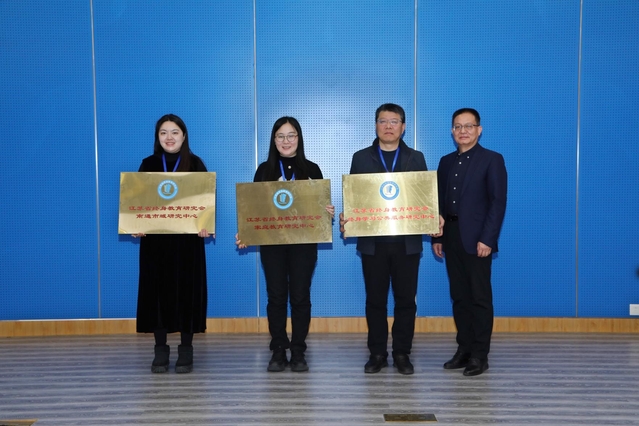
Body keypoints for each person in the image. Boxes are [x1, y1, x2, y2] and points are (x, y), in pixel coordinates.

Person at [236, 117, 334, 372]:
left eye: (291, 135)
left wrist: (327, 213)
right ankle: (278, 348)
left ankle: (298, 349)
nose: (286, 141)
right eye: (280, 136)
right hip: (273, 246)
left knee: (300, 296)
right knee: (277, 296)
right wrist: (246, 232)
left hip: (304, 245)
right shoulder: (263, 171)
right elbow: (254, 209)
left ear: (299, 139)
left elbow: (320, 208)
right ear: (274, 140)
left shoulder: (312, 169)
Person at [339, 103, 429, 375]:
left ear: (403, 126)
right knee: (375, 300)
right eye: (382, 121)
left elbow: (424, 198)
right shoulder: (360, 158)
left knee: (406, 301)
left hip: (406, 243)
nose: (388, 126)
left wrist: (432, 216)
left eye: (394, 121)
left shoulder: (416, 158)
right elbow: (355, 199)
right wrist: (348, 216)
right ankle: (377, 353)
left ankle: (402, 353)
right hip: (373, 244)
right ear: (376, 125)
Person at [134, 114, 213, 374]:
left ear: (184, 135)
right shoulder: (148, 164)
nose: (169, 137)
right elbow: (137, 202)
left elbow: (206, 203)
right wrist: (135, 224)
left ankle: (186, 350)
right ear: (157, 137)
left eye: (175, 132)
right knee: (157, 294)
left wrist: (206, 225)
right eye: (163, 133)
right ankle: (160, 349)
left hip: (188, 243)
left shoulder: (196, 164)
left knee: (187, 294)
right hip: (155, 243)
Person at [432, 108, 507, 377]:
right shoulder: (445, 162)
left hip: (478, 240)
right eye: (458, 126)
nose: (463, 131)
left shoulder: (492, 159)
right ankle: (463, 349)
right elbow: (439, 203)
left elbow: (497, 203)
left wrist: (488, 238)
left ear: (479, 129)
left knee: (479, 299)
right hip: (451, 237)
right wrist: (438, 237)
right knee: (459, 298)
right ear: (452, 131)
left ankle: (479, 355)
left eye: (469, 126)